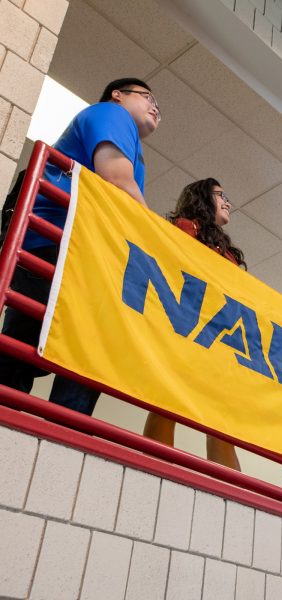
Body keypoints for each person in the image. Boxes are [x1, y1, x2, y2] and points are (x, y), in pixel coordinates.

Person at [0, 77, 160, 415]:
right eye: (147, 97)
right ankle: (60, 429)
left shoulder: (132, 145)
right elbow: (117, 180)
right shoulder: (111, 114)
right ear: (118, 95)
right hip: (57, 246)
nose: (155, 107)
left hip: (71, 249)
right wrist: (159, 241)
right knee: (76, 352)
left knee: (30, 353)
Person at [143, 178, 245, 471]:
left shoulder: (227, 250)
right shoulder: (186, 228)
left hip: (219, 336)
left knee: (220, 417)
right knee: (168, 402)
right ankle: (154, 472)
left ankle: (228, 488)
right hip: (187, 327)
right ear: (202, 198)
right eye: (220, 195)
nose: (227, 202)